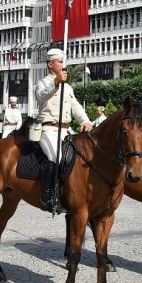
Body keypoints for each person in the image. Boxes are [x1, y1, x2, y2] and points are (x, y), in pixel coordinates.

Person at [35, 48, 93, 213]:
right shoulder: (43, 83)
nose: (63, 65)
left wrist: (86, 121)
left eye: (63, 61)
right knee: (55, 156)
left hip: (67, 130)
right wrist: (56, 83)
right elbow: (41, 96)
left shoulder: (67, 87)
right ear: (51, 64)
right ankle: (47, 197)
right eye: (60, 62)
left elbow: (75, 106)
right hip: (48, 129)